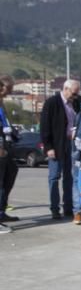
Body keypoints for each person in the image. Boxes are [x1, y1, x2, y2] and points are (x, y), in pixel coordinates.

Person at [40, 79, 81, 221]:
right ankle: (54, 209)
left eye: (77, 94)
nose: (75, 97)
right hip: (56, 145)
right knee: (54, 177)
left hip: (72, 144)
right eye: (73, 94)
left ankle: (69, 207)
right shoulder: (52, 103)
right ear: (65, 89)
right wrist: (48, 147)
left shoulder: (75, 103)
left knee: (69, 177)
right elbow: (45, 126)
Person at [0, 75, 18, 233]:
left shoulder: (2, 104)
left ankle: (2, 210)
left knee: (11, 173)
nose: (9, 92)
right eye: (8, 89)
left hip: (7, 146)